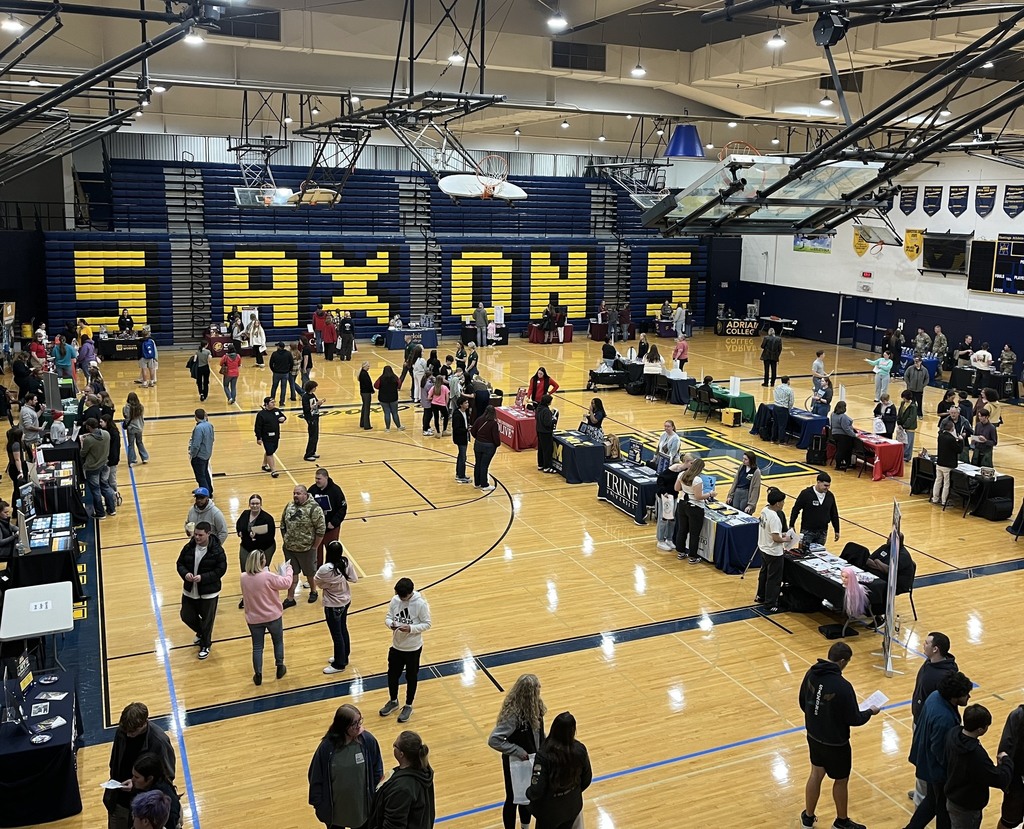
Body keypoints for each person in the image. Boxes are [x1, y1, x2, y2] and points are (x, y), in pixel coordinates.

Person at [799, 642, 880, 829]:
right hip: (836, 743)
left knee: (816, 774)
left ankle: (808, 817)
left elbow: (804, 702)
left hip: (813, 736)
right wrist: (870, 711)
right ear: (842, 661)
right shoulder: (842, 686)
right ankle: (841, 822)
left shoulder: (811, 673)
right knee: (841, 780)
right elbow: (855, 718)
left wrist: (818, 717)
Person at [905, 671, 974, 829]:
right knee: (943, 808)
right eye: (966, 694)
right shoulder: (945, 719)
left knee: (931, 800)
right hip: (937, 769)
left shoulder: (935, 696)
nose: (968, 697)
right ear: (955, 696)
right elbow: (940, 750)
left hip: (926, 759)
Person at [308, 704, 385, 829]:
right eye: (354, 723)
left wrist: (376, 797)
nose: (359, 726)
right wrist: (319, 805)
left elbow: (377, 770)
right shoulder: (327, 748)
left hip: (362, 808)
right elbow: (316, 777)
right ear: (343, 726)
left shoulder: (368, 741)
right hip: (336, 811)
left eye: (359, 721)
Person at [104, 702, 176, 829]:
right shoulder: (122, 731)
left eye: (132, 732)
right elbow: (114, 762)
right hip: (119, 800)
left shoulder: (159, 742)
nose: (128, 735)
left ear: (145, 722)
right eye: (126, 731)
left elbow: (167, 776)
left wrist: (138, 787)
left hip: (143, 805)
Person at [489, 674, 547, 829]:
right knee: (513, 798)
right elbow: (494, 739)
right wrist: (516, 750)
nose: (540, 690)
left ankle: (525, 827)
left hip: (533, 759)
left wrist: (545, 748)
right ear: (529, 693)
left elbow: (540, 733)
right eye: (537, 688)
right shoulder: (513, 715)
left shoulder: (537, 706)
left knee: (527, 796)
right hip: (516, 762)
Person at [907, 633, 959, 805]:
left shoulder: (944, 675)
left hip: (930, 726)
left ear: (936, 649)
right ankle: (924, 792)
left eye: (927, 643)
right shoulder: (931, 662)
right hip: (920, 719)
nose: (924, 644)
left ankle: (922, 802)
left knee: (926, 761)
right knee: (923, 761)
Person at [945, 705, 1015, 829]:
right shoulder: (976, 755)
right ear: (980, 729)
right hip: (967, 806)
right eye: (986, 726)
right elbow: (999, 779)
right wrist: (1006, 761)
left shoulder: (953, 734)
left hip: (953, 797)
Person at [379, 577, 432, 724]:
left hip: (413, 649)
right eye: (399, 596)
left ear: (410, 592)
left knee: (411, 677)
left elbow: (427, 624)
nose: (401, 599)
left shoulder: (420, 604)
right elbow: (388, 617)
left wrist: (411, 628)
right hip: (396, 646)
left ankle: (408, 705)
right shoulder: (395, 600)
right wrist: (391, 625)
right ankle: (393, 701)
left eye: (404, 596)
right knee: (392, 675)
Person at [527, 711, 592, 829]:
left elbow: (537, 790)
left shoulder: (544, 755)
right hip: (571, 806)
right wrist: (571, 792)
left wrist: (528, 793)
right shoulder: (580, 750)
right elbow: (586, 779)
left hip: (548, 812)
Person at [176, 521, 227, 660]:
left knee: (207, 620)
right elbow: (180, 563)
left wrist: (203, 578)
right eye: (195, 535)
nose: (196, 538)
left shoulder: (217, 550)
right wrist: (185, 574)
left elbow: (220, 570)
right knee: (186, 615)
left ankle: (205, 645)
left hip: (209, 592)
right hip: (190, 590)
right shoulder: (189, 547)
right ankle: (201, 633)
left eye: (200, 535)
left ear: (208, 534)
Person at [240, 550, 291, 684]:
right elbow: (286, 583)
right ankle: (280, 667)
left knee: (257, 647)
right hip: (273, 616)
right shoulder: (268, 576)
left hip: (254, 618)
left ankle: (258, 675)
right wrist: (289, 569)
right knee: (278, 642)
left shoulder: (243, 577)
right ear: (262, 562)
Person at [367, 731, 435, 828]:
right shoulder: (422, 770)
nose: (393, 745)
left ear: (401, 754)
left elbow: (393, 825)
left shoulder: (402, 788)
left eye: (396, 745)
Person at [315, 540, 358, 674]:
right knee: (343, 629)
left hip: (333, 604)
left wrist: (329, 585)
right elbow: (354, 579)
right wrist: (340, 580)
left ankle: (339, 664)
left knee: (337, 634)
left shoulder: (325, 569)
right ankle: (344, 656)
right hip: (345, 601)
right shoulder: (345, 563)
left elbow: (317, 582)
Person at [281, 485, 326, 608]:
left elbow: (321, 530)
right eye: (294, 493)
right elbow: (282, 524)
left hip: (306, 549)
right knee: (292, 574)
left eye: (299, 493)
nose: (295, 495)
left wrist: (314, 547)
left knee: (310, 573)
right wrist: (285, 539)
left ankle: (313, 591)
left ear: (305, 495)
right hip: (290, 549)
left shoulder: (314, 509)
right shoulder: (289, 506)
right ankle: (290, 598)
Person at [234, 492, 277, 610]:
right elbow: (239, 524)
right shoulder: (245, 514)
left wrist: (256, 537)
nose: (255, 506)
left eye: (257, 503)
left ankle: (263, 597)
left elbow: (270, 536)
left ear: (261, 504)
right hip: (246, 547)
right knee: (245, 573)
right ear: (249, 504)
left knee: (261, 573)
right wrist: (239, 532)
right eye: (252, 503)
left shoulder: (267, 518)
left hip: (263, 549)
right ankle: (247, 597)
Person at [674, 456, 714, 564]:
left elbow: (676, 488)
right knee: (694, 533)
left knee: (682, 529)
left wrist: (686, 489)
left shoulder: (682, 474)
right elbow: (698, 497)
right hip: (694, 507)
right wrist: (710, 494)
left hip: (682, 504)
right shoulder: (697, 479)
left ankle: (681, 552)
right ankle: (693, 556)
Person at [754, 487, 788, 612]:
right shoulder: (775, 517)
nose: (784, 504)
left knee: (763, 573)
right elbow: (775, 538)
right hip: (774, 552)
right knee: (774, 579)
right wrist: (787, 539)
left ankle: (760, 595)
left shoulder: (764, 510)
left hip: (763, 547)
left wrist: (780, 535)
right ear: (778, 503)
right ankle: (770, 603)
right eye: (783, 501)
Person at [128, 754, 181, 829]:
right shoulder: (148, 785)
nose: (132, 780)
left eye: (136, 777)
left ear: (149, 779)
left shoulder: (168, 807)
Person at [789, 473, 840, 546]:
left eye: (829, 485)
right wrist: (791, 524)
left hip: (822, 532)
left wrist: (837, 530)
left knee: (818, 553)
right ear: (818, 482)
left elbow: (834, 514)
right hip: (807, 531)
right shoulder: (806, 494)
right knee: (803, 553)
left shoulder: (830, 496)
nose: (827, 488)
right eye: (825, 485)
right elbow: (796, 509)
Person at [309, 467, 346, 567]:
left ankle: (331, 572)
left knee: (332, 551)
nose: (317, 481)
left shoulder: (336, 491)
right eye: (316, 478)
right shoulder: (312, 490)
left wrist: (333, 523)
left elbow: (342, 508)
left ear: (326, 478)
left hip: (331, 528)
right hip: (316, 528)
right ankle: (316, 575)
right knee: (316, 553)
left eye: (319, 479)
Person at [81, 417, 117, 519]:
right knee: (105, 486)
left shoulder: (88, 440)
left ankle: (100, 513)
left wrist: (83, 442)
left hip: (93, 468)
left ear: (88, 427)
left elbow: (83, 453)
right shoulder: (106, 434)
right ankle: (112, 509)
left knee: (96, 490)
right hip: (104, 465)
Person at [997, 702, 1024, 829]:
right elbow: (1004, 750)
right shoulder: (1018, 715)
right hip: (1016, 779)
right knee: (1008, 821)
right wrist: (1005, 778)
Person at [254, 397, 286, 478]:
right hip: (266, 437)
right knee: (269, 452)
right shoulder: (261, 414)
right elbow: (257, 427)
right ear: (266, 404)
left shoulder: (276, 411)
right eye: (272, 402)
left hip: (276, 435)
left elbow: (283, 417)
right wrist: (258, 438)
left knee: (272, 450)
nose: (274, 404)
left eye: (274, 402)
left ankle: (264, 465)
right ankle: (273, 471)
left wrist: (283, 418)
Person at [471, 404, 500, 492]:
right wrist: (497, 444)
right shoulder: (493, 423)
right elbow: (496, 437)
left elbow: (473, 431)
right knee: (484, 465)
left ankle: (477, 483)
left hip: (478, 444)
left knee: (478, 464)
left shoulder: (479, 419)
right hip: (489, 447)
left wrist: (478, 438)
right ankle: (484, 484)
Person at [187, 409, 215, 496]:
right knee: (205, 473)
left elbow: (196, 445)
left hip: (199, 456)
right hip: (207, 453)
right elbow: (212, 439)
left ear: (195, 417)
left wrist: (193, 455)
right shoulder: (209, 425)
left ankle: (205, 495)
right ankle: (209, 490)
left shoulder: (198, 428)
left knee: (200, 476)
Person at [726, 450, 762, 514]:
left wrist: (751, 505)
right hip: (737, 492)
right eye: (743, 458)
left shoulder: (756, 472)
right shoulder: (741, 466)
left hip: (746, 494)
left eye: (746, 459)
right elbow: (735, 482)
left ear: (751, 460)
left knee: (743, 513)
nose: (743, 460)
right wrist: (730, 495)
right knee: (734, 512)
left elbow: (755, 489)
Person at [374, 365, 403, 432]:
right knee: (395, 413)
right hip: (393, 398)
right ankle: (399, 427)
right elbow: (399, 384)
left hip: (383, 399)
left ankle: (387, 428)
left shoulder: (381, 378)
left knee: (386, 413)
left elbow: (376, 386)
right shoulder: (395, 377)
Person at [123, 391, 149, 466]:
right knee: (139, 442)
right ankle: (144, 457)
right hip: (139, 427)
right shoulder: (141, 406)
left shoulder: (126, 407)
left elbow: (126, 417)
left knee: (131, 444)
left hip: (131, 428)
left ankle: (132, 460)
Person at [301, 380, 325, 461]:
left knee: (316, 436)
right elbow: (306, 409)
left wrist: (319, 403)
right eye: (314, 387)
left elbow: (316, 405)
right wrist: (316, 405)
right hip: (310, 418)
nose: (315, 388)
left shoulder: (313, 395)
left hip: (315, 416)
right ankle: (308, 454)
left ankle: (313, 452)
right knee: (312, 436)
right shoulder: (305, 397)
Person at [830, 401, 856, 471]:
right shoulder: (843, 417)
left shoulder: (833, 414)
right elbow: (846, 428)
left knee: (839, 450)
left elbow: (831, 425)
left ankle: (840, 464)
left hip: (834, 434)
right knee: (842, 450)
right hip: (843, 436)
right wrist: (854, 435)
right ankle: (839, 465)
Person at [535, 394, 556, 474]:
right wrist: (553, 420)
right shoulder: (546, 411)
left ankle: (540, 464)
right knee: (547, 450)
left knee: (541, 448)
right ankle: (547, 467)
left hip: (539, 430)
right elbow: (547, 423)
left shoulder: (538, 408)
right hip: (546, 432)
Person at [897, 390, 919, 462]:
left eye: (904, 398)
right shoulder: (903, 403)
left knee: (908, 443)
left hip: (910, 427)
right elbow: (900, 413)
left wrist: (905, 425)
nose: (903, 399)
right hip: (901, 426)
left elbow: (911, 417)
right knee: (900, 441)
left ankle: (907, 456)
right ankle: (900, 455)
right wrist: (899, 422)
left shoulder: (913, 406)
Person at [772, 375, 795, 445]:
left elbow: (774, 396)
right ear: (788, 381)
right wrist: (789, 408)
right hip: (783, 408)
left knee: (775, 423)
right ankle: (781, 440)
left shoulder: (777, 387)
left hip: (775, 407)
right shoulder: (789, 390)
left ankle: (773, 439)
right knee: (782, 425)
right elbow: (791, 401)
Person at [358, 361, 374, 430]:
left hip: (363, 392)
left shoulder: (362, 373)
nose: (369, 367)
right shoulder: (364, 374)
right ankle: (366, 425)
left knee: (364, 407)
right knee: (367, 409)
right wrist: (372, 390)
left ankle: (362, 423)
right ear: (364, 366)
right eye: (368, 366)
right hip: (366, 393)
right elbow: (368, 384)